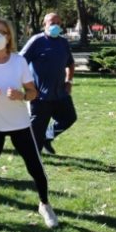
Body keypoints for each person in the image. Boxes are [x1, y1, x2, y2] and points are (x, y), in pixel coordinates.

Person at [0, 16, 57, 232]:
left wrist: (21, 95)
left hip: (19, 122)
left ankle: (44, 205)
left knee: (35, 167)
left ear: (9, 37)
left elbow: (33, 92)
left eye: (2, 32)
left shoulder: (18, 61)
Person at [20, 12, 77, 155]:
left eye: (58, 23)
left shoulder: (63, 42)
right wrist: (29, 87)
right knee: (36, 133)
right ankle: (34, 156)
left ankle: (47, 137)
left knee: (69, 118)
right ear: (44, 24)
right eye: (52, 23)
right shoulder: (36, 41)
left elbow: (70, 63)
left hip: (60, 93)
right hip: (40, 96)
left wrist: (69, 81)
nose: (56, 26)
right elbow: (20, 63)